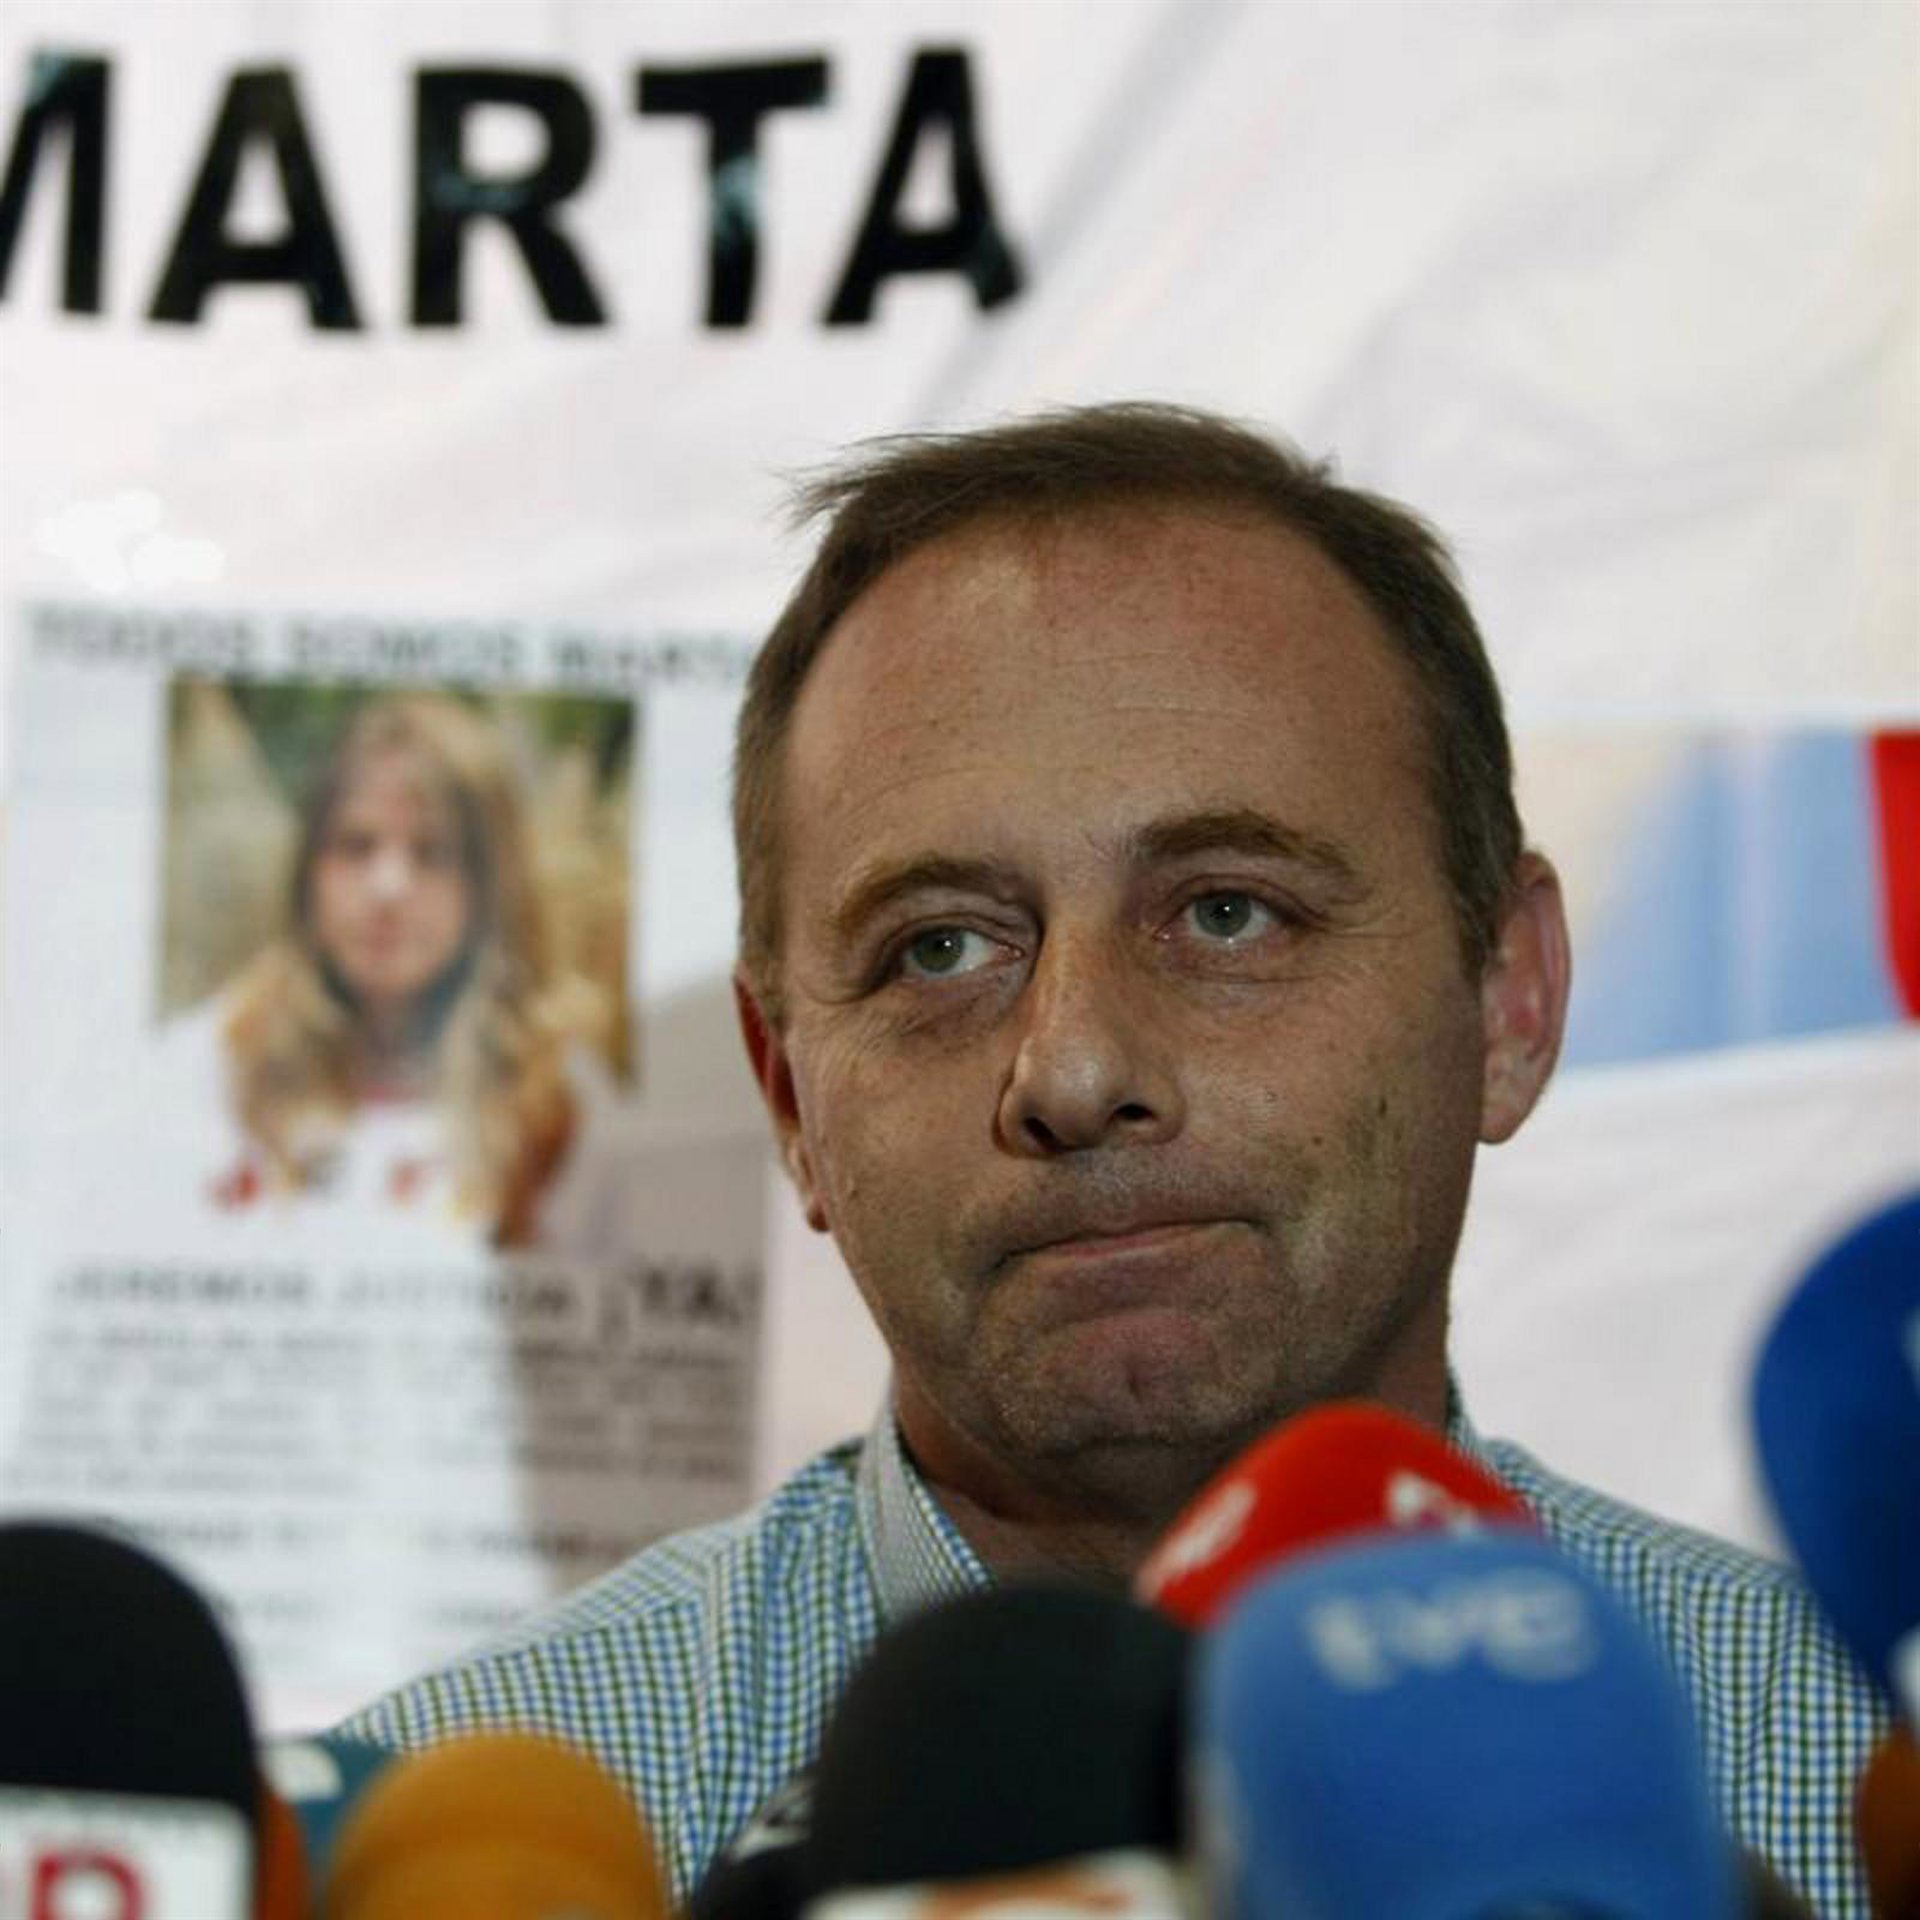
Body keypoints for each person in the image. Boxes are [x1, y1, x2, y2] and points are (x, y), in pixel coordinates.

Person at [340, 407, 1886, 1911]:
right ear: (789, 1096)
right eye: (940, 947)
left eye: (1228, 912)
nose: (1075, 1072)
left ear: (1508, 999)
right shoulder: (422, 1864)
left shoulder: (1855, 1791)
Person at [194, 692, 610, 1247]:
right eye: (356, 845)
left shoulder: (562, 1095)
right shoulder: (222, 1057)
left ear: (491, 886)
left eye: (431, 852)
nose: (387, 887)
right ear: (308, 872)